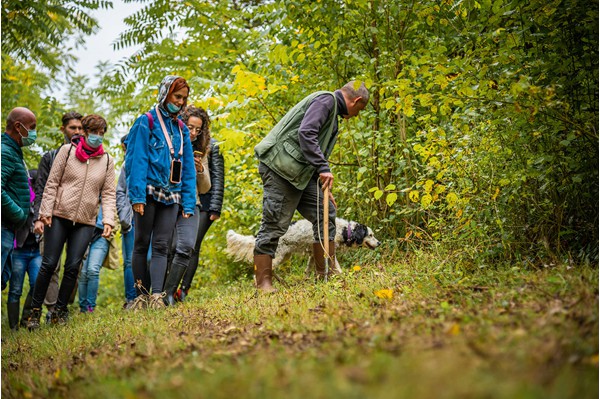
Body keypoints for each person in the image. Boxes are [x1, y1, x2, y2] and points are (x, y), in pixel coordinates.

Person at [253, 81, 369, 292]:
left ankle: (324, 275)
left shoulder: (333, 112)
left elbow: (313, 149)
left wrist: (323, 182)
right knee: (274, 221)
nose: (356, 115)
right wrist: (324, 167)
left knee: (325, 213)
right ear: (357, 101)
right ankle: (263, 282)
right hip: (281, 169)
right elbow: (306, 133)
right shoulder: (326, 100)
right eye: (359, 110)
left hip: (300, 174)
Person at [27, 114, 116, 330]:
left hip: (86, 220)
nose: (97, 137)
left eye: (101, 133)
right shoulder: (66, 153)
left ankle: (60, 311)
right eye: (93, 132)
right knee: (48, 264)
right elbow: (52, 183)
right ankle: (34, 313)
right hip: (58, 216)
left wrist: (108, 221)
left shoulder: (106, 161)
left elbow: (109, 194)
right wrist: (44, 212)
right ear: (84, 132)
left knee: (73, 266)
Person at [125, 75, 196, 309]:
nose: (181, 102)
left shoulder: (182, 129)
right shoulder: (146, 122)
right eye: (177, 96)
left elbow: (187, 169)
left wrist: (188, 202)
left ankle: (156, 296)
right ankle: (139, 296)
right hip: (147, 191)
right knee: (142, 243)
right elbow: (136, 161)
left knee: (162, 245)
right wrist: (136, 196)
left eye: (184, 98)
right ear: (165, 94)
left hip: (172, 194)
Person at [164, 106, 224, 305]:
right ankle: (163, 291)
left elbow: (216, 180)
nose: (194, 133)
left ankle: (182, 290)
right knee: (173, 246)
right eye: (191, 128)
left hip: (203, 204)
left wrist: (215, 208)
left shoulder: (209, 147)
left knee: (190, 247)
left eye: (198, 129)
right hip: (176, 201)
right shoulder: (173, 143)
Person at [33, 111, 84, 322]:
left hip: (79, 220)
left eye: (81, 128)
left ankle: (63, 306)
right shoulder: (50, 157)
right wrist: (39, 218)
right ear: (63, 129)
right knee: (51, 265)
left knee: (75, 266)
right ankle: (51, 310)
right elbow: (41, 189)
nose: (78, 132)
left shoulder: (89, 159)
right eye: (73, 128)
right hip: (51, 218)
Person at [2, 107, 37, 291]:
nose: (33, 133)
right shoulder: (5, 152)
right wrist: (18, 213)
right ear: (18, 126)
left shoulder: (13, 151)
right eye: (32, 127)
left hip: (8, 229)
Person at [116, 134, 151, 309]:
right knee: (130, 261)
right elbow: (120, 191)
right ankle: (132, 299)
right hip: (130, 219)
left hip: (150, 217)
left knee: (150, 257)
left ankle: (147, 295)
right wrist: (123, 216)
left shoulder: (151, 159)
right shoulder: (126, 165)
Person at [6, 169, 41, 330]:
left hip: (36, 251)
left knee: (36, 284)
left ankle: (26, 318)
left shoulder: (42, 200)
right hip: (19, 250)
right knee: (15, 289)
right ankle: (13, 327)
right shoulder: (20, 198)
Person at [78, 202, 114, 313]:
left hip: (102, 235)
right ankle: (83, 308)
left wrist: (112, 226)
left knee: (93, 270)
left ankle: (90, 308)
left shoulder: (107, 191)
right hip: (83, 232)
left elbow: (114, 209)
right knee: (83, 273)